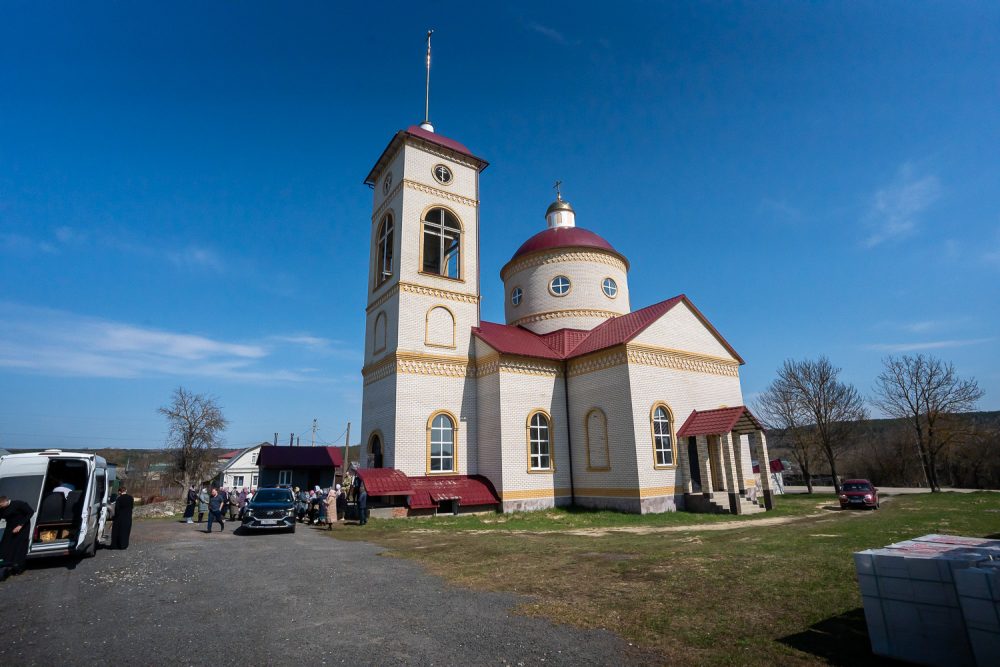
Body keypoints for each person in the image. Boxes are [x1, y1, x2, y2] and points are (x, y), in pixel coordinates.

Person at [0, 495, 34, 580]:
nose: (0, 507)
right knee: (5, 544)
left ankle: (19, 567)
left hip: (23, 527)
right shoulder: (2, 509)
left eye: (1, 505)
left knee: (19, 546)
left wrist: (20, 525)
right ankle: (6, 564)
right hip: (10, 527)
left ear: (5, 501)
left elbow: (30, 512)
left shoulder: (19, 504)